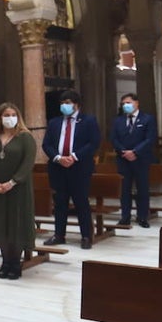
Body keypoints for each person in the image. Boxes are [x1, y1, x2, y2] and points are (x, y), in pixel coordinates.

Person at [0, 103, 37, 280]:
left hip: (17, 189)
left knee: (16, 224)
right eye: (6, 114)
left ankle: (15, 263)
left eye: (13, 114)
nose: (10, 118)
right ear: (0, 117)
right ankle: (5, 261)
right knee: (1, 224)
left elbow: (28, 163)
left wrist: (12, 182)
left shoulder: (25, 138)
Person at [42, 90, 101, 249]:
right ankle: (59, 234)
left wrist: (74, 157)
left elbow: (93, 143)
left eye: (68, 103)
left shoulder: (88, 121)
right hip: (58, 167)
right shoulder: (54, 122)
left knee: (81, 202)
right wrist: (58, 158)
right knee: (60, 203)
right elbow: (46, 144)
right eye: (62, 103)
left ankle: (86, 236)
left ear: (77, 104)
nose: (64, 106)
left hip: (79, 167)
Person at [110, 92, 157, 228]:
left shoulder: (147, 119)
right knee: (124, 189)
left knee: (142, 189)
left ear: (136, 103)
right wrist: (123, 151)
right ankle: (125, 216)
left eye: (129, 103)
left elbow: (150, 138)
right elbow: (114, 138)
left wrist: (135, 152)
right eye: (124, 103)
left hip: (141, 158)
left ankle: (142, 217)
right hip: (123, 158)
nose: (126, 105)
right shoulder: (118, 120)